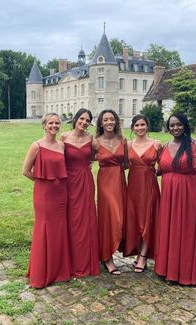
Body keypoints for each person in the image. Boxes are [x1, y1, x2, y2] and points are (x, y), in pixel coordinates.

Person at [155, 113, 196, 288]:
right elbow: (159, 170)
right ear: (168, 127)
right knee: (169, 229)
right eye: (172, 125)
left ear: (185, 125)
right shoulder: (165, 146)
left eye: (178, 124)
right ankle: (168, 270)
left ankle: (185, 273)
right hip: (168, 196)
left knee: (186, 231)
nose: (175, 128)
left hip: (189, 195)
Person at [22, 113, 71, 288]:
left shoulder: (62, 146)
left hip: (61, 194)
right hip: (44, 194)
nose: (54, 126)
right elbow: (26, 171)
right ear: (44, 125)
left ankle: (58, 271)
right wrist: (43, 181)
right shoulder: (36, 146)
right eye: (51, 123)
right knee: (44, 229)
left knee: (59, 229)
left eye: (57, 123)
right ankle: (41, 272)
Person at [61, 108, 100, 278]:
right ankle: (69, 259)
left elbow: (100, 154)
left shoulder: (91, 139)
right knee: (70, 218)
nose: (84, 122)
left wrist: (89, 162)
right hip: (68, 181)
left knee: (85, 219)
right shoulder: (64, 137)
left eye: (87, 120)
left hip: (85, 181)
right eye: (82, 119)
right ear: (76, 119)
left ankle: (85, 260)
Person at [123, 114, 162, 273]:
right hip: (133, 187)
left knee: (148, 219)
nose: (140, 128)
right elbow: (124, 164)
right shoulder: (128, 144)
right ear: (133, 128)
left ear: (147, 126)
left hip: (149, 186)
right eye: (137, 125)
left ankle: (143, 256)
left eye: (142, 125)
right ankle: (139, 251)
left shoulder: (156, 144)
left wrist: (151, 172)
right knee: (135, 219)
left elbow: (163, 165)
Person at [92, 109, 126, 275]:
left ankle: (111, 250)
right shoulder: (95, 142)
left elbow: (127, 163)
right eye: (105, 120)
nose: (109, 122)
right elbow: (86, 159)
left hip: (119, 180)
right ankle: (107, 257)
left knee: (120, 217)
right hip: (105, 182)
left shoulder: (123, 140)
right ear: (100, 123)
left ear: (116, 121)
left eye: (112, 119)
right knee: (109, 217)